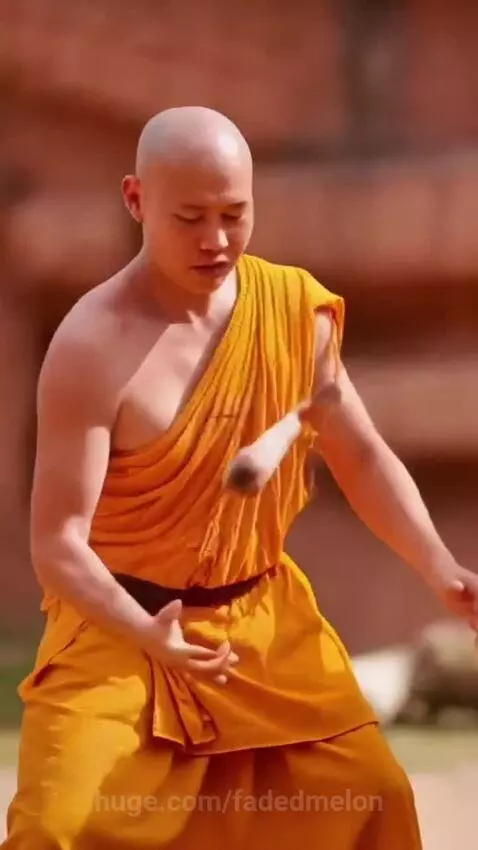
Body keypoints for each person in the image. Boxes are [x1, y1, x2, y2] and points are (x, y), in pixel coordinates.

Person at [3, 106, 478, 850]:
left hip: (262, 624)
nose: (216, 240)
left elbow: (359, 453)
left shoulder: (291, 312)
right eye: (190, 218)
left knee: (374, 800)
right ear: (136, 200)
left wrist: (438, 566)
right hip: (119, 629)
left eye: (235, 214)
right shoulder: (90, 345)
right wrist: (145, 633)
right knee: (57, 827)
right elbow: (57, 543)